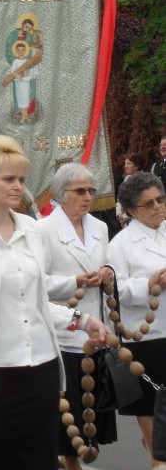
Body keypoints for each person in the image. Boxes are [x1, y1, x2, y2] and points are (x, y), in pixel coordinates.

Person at [0, 135, 107, 470]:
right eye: (9, 179)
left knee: (40, 462)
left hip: (40, 370)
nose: (18, 187)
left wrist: (82, 321)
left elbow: (35, 302)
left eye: (22, 179)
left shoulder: (31, 229)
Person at [39, 163, 116, 470]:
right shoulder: (44, 230)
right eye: (80, 191)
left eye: (91, 191)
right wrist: (75, 281)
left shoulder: (100, 227)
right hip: (64, 333)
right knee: (68, 410)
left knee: (91, 412)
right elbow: (38, 282)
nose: (87, 197)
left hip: (96, 329)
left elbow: (108, 264)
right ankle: (70, 463)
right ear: (61, 194)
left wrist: (108, 272)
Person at [110, 171, 166, 468]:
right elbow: (115, 290)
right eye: (149, 204)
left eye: (161, 199)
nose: (158, 206)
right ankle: (157, 460)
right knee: (151, 404)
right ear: (131, 211)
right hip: (147, 336)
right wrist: (150, 283)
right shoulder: (121, 244)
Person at [116, 153, 145, 227]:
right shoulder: (126, 179)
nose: (125, 166)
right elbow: (120, 199)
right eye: (125, 164)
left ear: (137, 166)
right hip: (125, 221)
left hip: (139, 221)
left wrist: (125, 217)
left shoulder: (143, 180)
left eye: (129, 164)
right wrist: (119, 213)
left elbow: (139, 203)